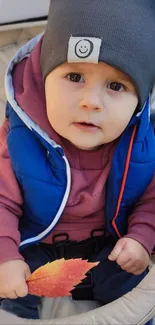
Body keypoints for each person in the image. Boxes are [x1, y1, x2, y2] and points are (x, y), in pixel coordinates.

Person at [0, 0, 155, 322]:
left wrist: (141, 237)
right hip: (34, 243)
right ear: (43, 81)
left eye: (116, 86)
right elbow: (2, 202)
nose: (90, 102)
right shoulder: (17, 138)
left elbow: (152, 198)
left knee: (136, 280)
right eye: (74, 77)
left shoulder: (142, 142)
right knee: (11, 291)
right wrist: (5, 256)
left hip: (111, 245)